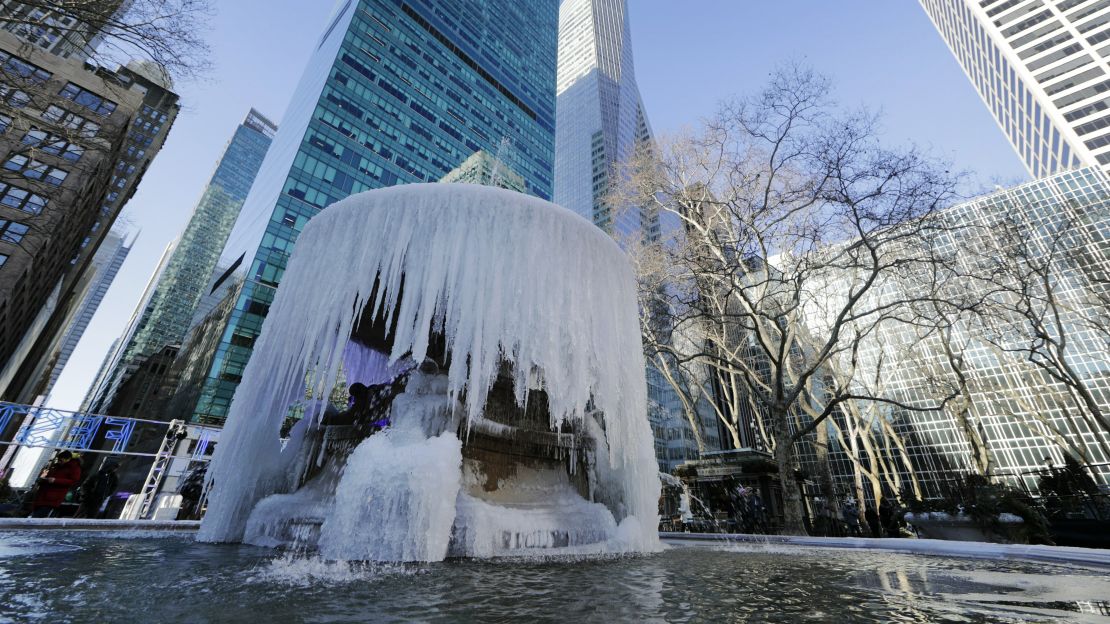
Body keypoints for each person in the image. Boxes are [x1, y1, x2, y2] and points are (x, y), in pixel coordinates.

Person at [31, 451, 82, 518]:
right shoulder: (57, 466)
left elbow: (73, 481)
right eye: (58, 460)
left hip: (52, 498)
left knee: (40, 516)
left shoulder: (74, 468)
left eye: (61, 460)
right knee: (36, 515)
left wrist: (55, 480)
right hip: (43, 495)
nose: (59, 462)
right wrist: (43, 480)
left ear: (67, 459)